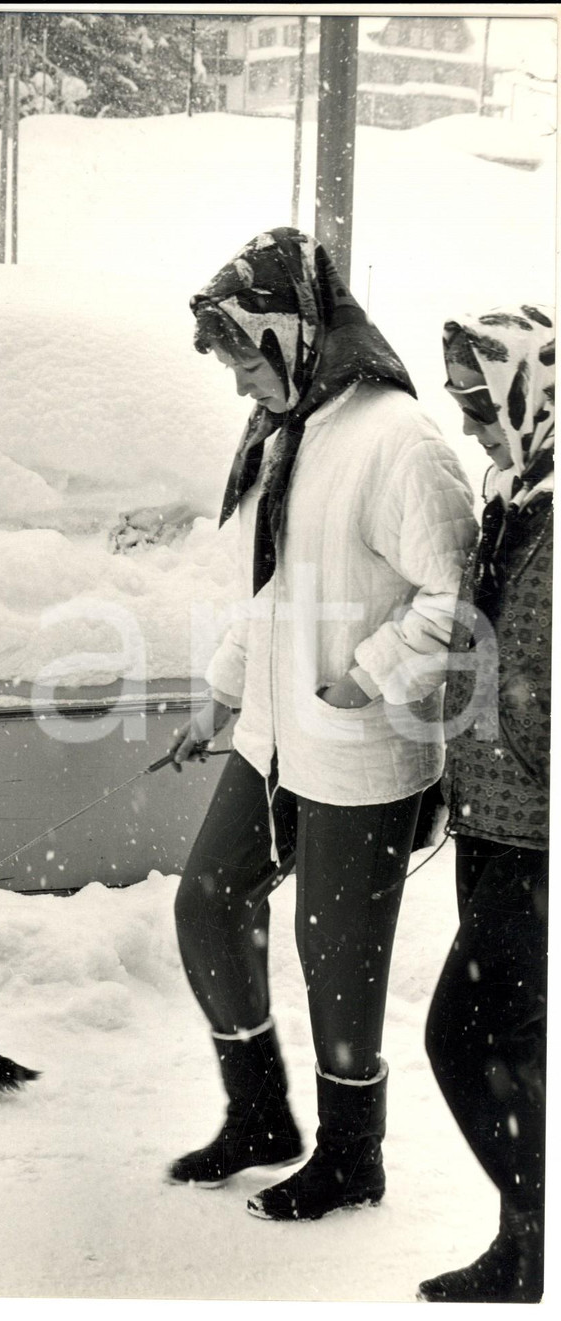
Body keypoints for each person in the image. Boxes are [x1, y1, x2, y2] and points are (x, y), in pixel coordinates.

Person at [168, 227, 476, 1222]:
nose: (238, 385)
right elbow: (276, 591)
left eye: (243, 359)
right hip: (271, 731)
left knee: (335, 959)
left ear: (290, 333)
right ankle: (259, 1114)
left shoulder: (397, 440)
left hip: (359, 749)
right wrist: (222, 692)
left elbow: (455, 595)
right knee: (209, 898)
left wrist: (370, 672)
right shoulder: (294, 427)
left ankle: (354, 1157)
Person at [417, 305, 552, 1303]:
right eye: (461, 404)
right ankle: (527, 1241)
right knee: (489, 1045)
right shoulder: (512, 495)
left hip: (539, 834)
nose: (469, 426)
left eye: (480, 402)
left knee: (482, 1042)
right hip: (487, 817)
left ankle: (532, 1246)